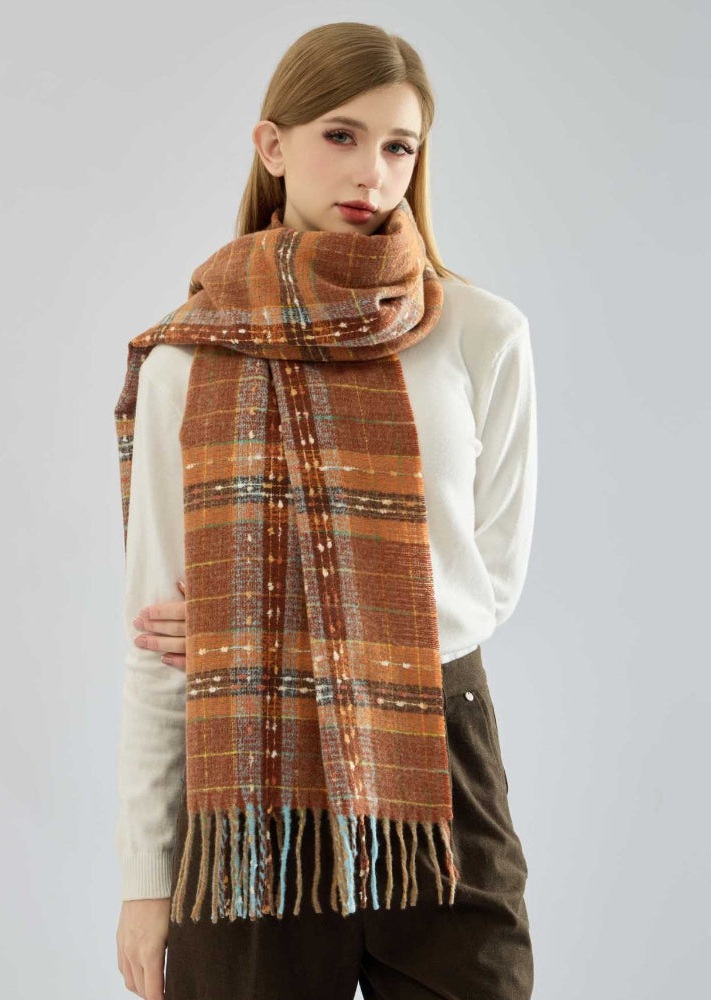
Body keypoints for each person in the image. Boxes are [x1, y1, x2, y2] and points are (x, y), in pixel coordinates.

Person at [115, 21, 538, 1000]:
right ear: (273, 145)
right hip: (249, 782)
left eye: (399, 147)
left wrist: (262, 626)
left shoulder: (481, 333)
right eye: (341, 136)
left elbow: (488, 584)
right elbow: (156, 637)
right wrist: (144, 878)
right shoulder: (190, 357)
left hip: (434, 760)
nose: (371, 173)